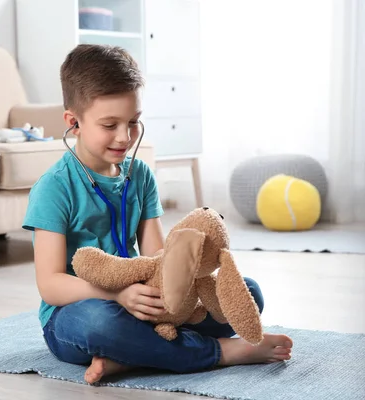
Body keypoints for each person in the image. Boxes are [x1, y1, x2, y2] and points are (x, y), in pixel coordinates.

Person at [22, 44, 293, 384]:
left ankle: (131, 358)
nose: (124, 136)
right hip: (77, 312)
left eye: (133, 122)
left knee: (248, 293)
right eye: (110, 125)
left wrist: (171, 290)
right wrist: (117, 295)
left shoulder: (141, 176)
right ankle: (220, 353)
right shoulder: (53, 188)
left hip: (146, 303)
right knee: (100, 324)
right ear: (73, 122)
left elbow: (157, 257)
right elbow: (50, 285)